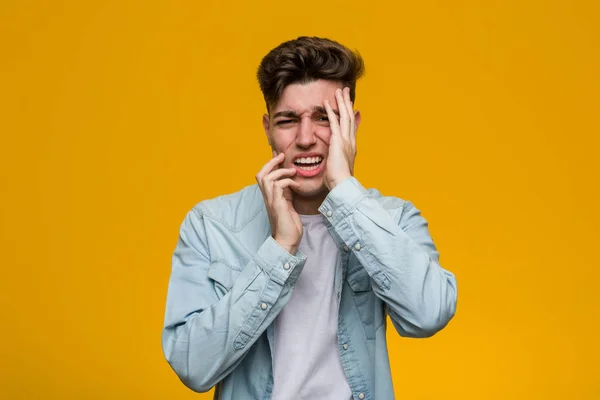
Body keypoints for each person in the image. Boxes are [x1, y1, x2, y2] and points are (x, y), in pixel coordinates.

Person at [161, 36, 458, 400]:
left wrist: (345, 191)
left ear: (352, 125)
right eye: (288, 120)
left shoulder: (394, 218)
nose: (306, 138)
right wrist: (279, 249)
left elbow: (429, 314)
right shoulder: (210, 225)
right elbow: (192, 366)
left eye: (324, 118)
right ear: (268, 128)